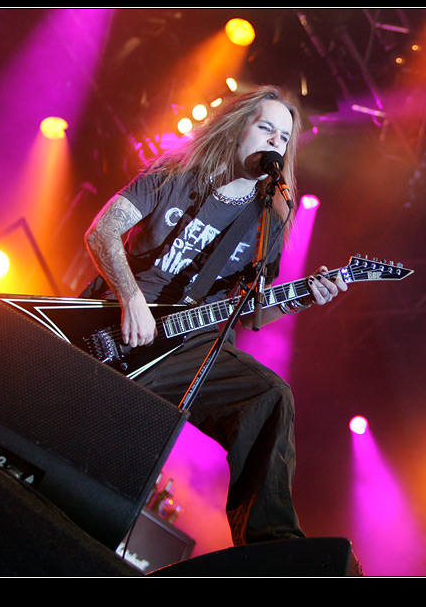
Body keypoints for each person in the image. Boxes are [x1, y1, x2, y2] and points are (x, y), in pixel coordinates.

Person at [82, 85, 347, 547]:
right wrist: (131, 297)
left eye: (284, 138)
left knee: (269, 396)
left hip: (189, 345)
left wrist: (306, 296)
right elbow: (102, 231)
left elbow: (251, 312)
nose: (274, 142)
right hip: (117, 326)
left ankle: (273, 547)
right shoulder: (175, 176)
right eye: (266, 127)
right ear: (237, 127)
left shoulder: (270, 219)